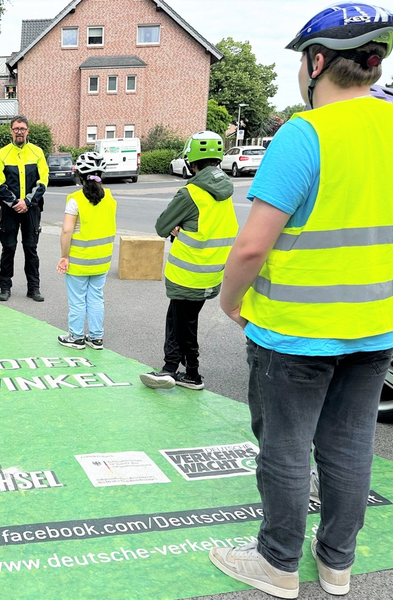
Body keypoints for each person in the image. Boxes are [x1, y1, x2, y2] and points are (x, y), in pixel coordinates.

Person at [209, 4, 393, 598]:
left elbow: (250, 247)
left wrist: (228, 300)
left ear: (316, 62)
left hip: (295, 331)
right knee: (350, 444)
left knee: (286, 448)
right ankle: (337, 563)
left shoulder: (303, 134)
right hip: (375, 329)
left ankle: (278, 563)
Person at [139, 131, 237, 391]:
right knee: (178, 318)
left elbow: (161, 226)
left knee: (184, 322)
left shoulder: (191, 193)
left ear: (192, 160)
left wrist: (177, 226)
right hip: (212, 272)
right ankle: (171, 366)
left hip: (188, 272)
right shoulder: (225, 192)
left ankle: (191, 373)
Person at [56, 152, 116, 350]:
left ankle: (76, 336)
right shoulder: (109, 197)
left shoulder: (75, 199)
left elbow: (67, 230)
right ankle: (96, 337)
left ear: (79, 175)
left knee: (77, 299)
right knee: (96, 297)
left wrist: (64, 256)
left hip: (80, 260)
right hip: (102, 260)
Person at [0, 115, 49, 302]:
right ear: (11, 130)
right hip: (9, 210)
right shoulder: (2, 154)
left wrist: (27, 201)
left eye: (22, 129)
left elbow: (43, 181)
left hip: (31, 210)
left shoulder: (37, 152)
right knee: (8, 249)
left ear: (27, 131)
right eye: (16, 129)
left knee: (31, 249)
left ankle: (34, 288)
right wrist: (16, 202)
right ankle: (5, 288)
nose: (19, 132)